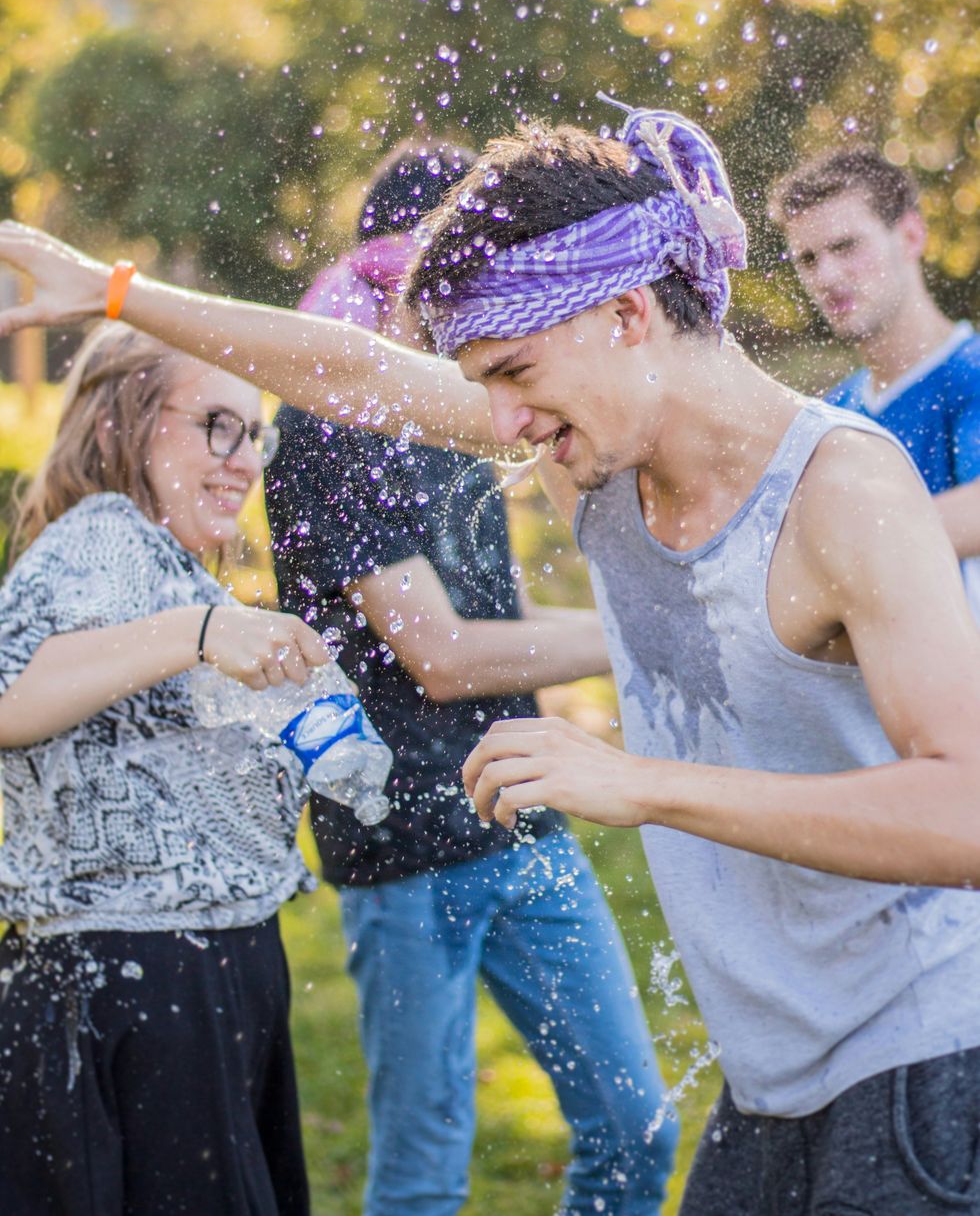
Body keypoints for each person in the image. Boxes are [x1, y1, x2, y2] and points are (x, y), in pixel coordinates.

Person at [2, 101, 980, 1213]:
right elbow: (346, 369)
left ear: (623, 313)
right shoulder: (601, 453)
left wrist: (640, 783)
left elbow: (964, 814)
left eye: (513, 373)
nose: (501, 422)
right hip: (770, 1082)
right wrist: (118, 294)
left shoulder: (843, 491)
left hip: (919, 1064)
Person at [264, 140, 678, 1216]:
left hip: (522, 814)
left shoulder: (473, 403)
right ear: (409, 269)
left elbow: (501, 624)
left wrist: (626, 623)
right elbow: (441, 655)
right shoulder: (331, 424)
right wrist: (633, 637)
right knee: (422, 1175)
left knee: (635, 1129)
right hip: (404, 844)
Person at [0, 320, 332, 1216]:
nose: (243, 459)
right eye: (215, 426)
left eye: (252, 434)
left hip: (197, 988)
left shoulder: (165, 567)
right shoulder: (101, 537)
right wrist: (196, 634)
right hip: (133, 998)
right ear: (122, 424)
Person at [772, 145, 980, 617]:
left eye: (846, 246)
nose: (826, 275)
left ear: (909, 236)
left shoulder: (972, 374)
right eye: (808, 259)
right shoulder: (831, 414)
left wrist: (827, 547)